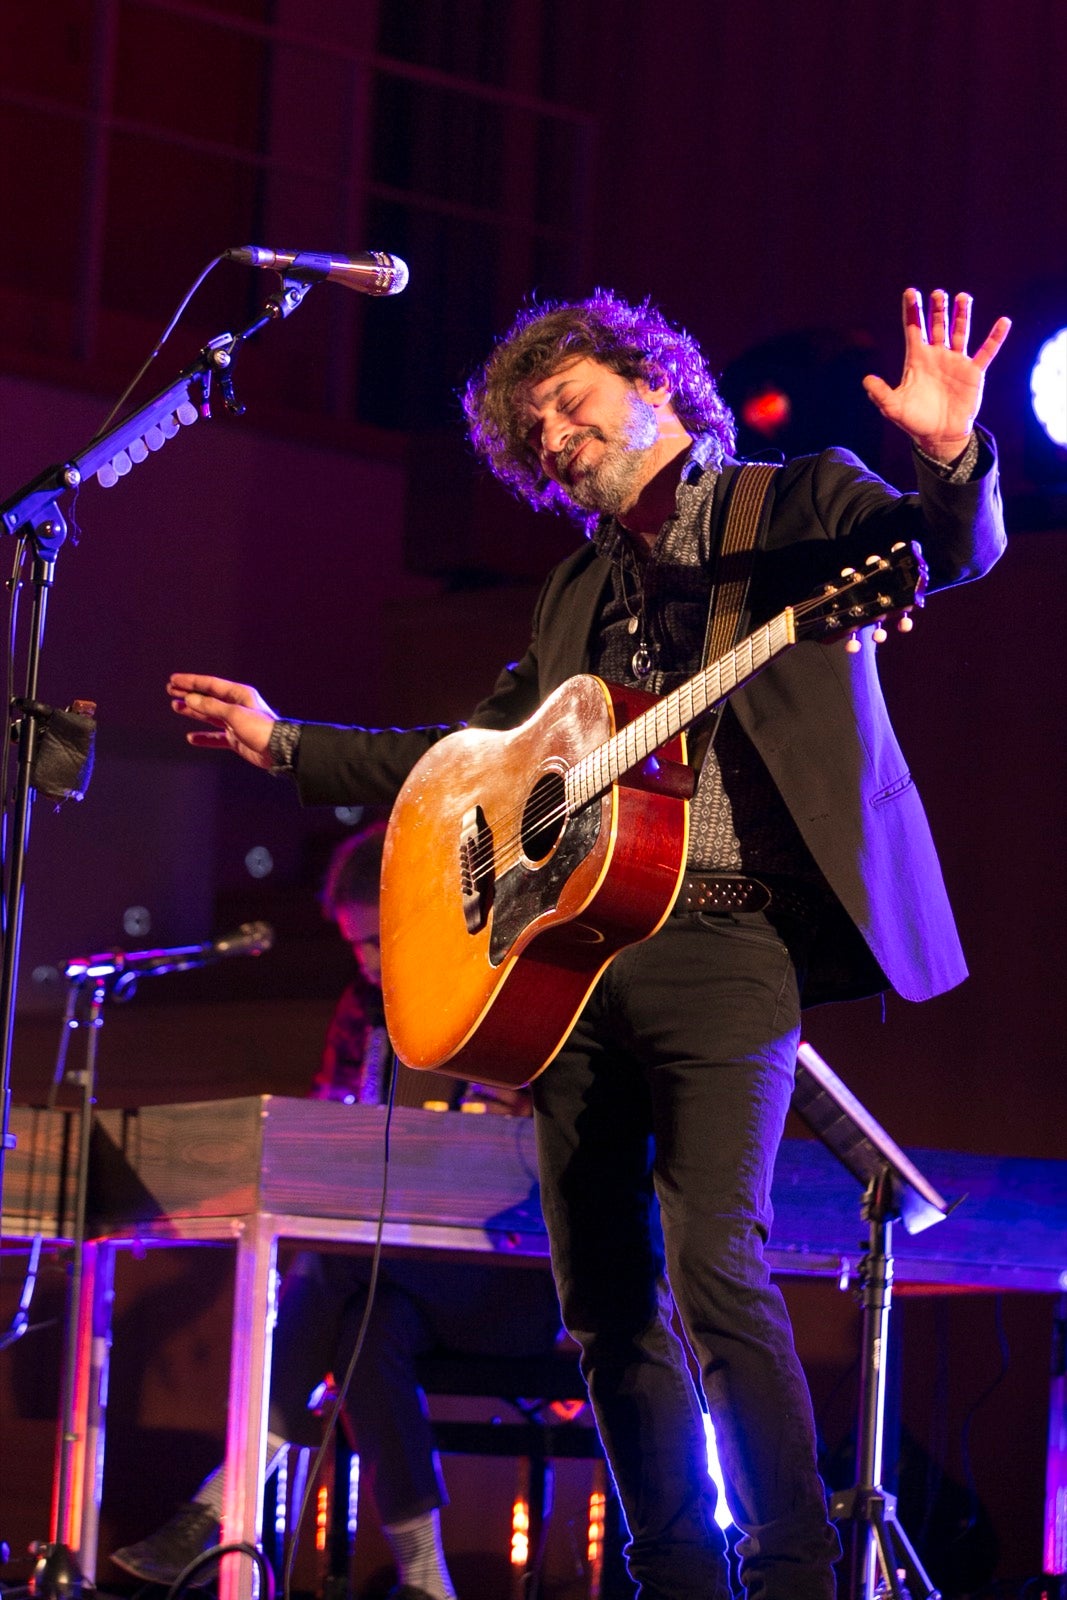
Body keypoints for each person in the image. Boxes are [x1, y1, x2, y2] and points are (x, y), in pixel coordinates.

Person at [162, 286, 1010, 1600]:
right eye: (532, 436)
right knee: (603, 1301)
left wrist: (948, 456)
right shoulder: (570, 593)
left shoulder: (789, 503)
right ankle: (674, 1576)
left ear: (653, 380)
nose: (553, 439)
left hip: (727, 943)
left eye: (567, 403)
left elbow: (942, 550)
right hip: (572, 966)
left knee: (713, 1262)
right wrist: (286, 744)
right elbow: (460, 764)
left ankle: (791, 1575)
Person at [111, 824, 563, 1600]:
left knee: (334, 1270)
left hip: (509, 1283)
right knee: (361, 1325)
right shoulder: (364, 1007)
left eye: (380, 942)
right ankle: (426, 1582)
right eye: (357, 947)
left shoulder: (507, 993)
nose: (370, 963)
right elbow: (324, 1135)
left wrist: (498, 1121)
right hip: (394, 1279)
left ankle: (221, 1501)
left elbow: (557, 1146)